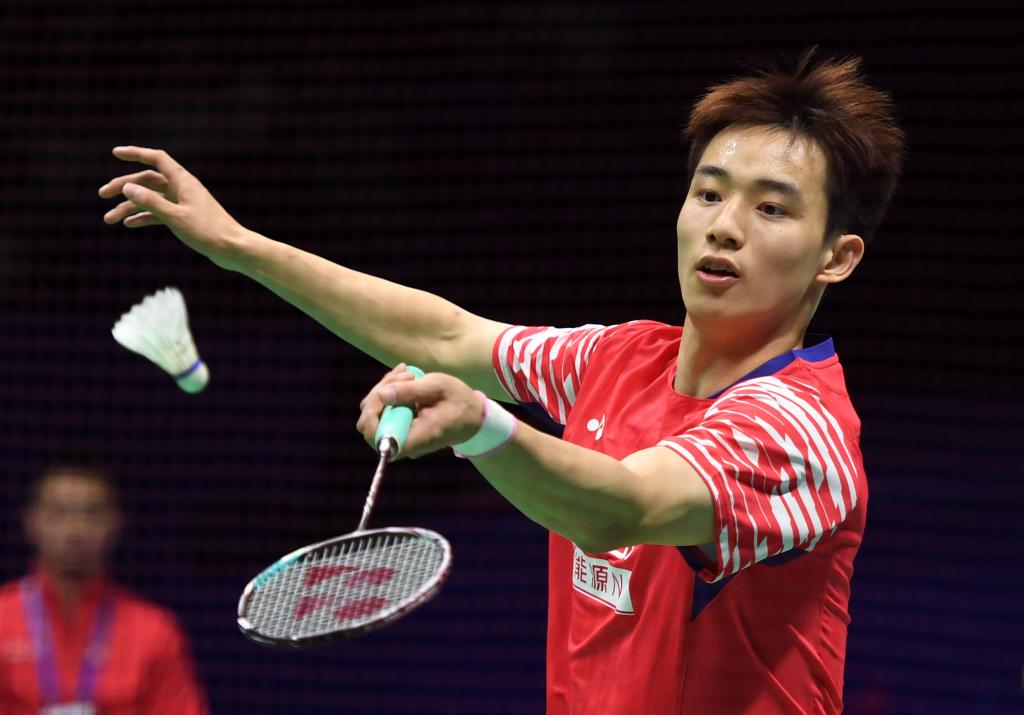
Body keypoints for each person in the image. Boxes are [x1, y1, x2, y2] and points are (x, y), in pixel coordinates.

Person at [98, 50, 904, 714]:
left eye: (771, 209)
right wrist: (239, 246)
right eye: (709, 193)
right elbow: (447, 337)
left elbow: (623, 506)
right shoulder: (617, 359)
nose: (723, 225)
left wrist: (481, 425)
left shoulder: (800, 427)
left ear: (836, 257)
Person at [0, 463, 208, 714]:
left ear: (114, 523)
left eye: (92, 514)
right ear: (31, 522)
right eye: (58, 513)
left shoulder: (155, 630)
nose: (75, 529)